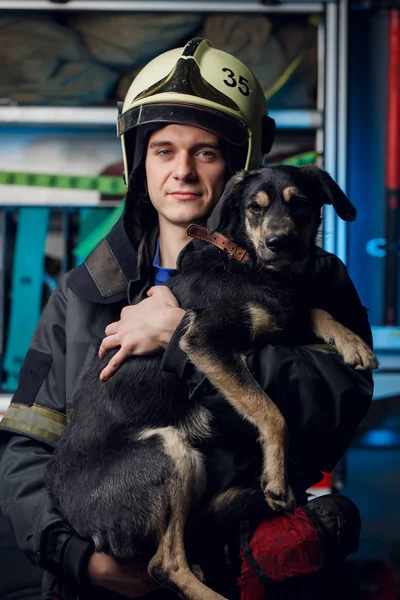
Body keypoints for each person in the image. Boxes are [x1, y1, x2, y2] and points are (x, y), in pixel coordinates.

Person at [0, 38, 373, 600]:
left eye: (206, 153)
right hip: (93, 580)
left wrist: (178, 342)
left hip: (239, 571)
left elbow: (331, 412)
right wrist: (79, 559)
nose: (183, 172)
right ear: (138, 162)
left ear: (242, 168)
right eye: (163, 150)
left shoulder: (318, 283)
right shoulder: (84, 293)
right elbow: (28, 447)